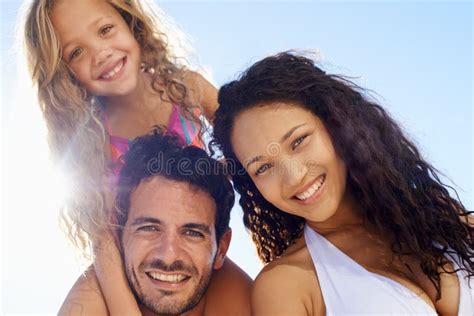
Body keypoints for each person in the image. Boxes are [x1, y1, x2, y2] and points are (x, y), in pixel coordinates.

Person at [23, 0, 250, 315]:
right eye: (76, 52)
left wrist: (223, 170)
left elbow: (249, 144)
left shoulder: (186, 88)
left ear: (131, 23)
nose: (100, 53)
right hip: (120, 268)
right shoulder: (93, 141)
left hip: (186, 258)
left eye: (105, 30)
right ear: (65, 74)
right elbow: (102, 239)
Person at [211, 52, 473, 315]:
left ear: (337, 123)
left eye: (299, 141)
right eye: (263, 167)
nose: (294, 176)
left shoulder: (440, 214)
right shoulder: (287, 285)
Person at [59, 130, 245, 315]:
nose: (168, 256)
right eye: (149, 228)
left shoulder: (245, 301)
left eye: (192, 233)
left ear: (221, 250)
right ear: (118, 237)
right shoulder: (85, 305)